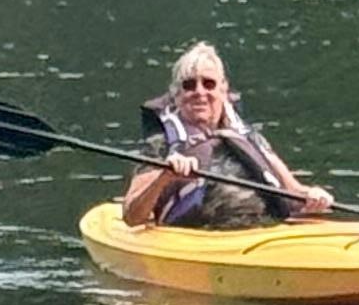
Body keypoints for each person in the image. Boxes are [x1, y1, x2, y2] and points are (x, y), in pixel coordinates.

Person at [121, 47, 335, 228]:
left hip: (264, 231)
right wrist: (165, 177)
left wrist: (314, 196)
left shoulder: (249, 137)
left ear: (223, 90)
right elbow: (132, 216)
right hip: (201, 238)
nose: (199, 92)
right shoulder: (161, 146)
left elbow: (294, 193)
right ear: (176, 95)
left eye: (209, 83)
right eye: (188, 85)